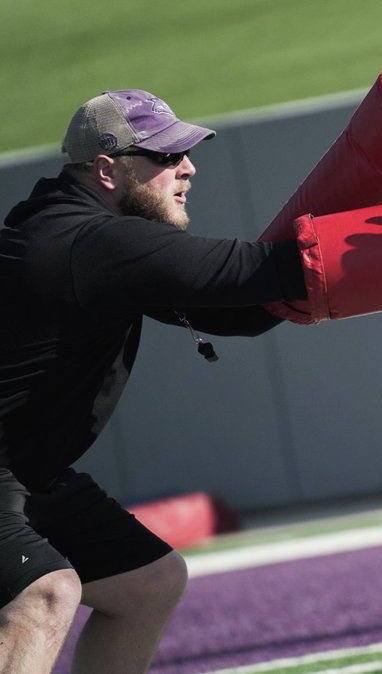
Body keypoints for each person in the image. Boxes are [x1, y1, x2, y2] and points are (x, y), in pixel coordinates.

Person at [0, 90, 307, 673]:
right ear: (107, 170)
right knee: (46, 595)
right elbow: (255, 271)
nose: (187, 167)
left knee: (147, 583)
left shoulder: (93, 239)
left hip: (24, 473)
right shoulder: (87, 242)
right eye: (166, 157)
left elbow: (236, 312)